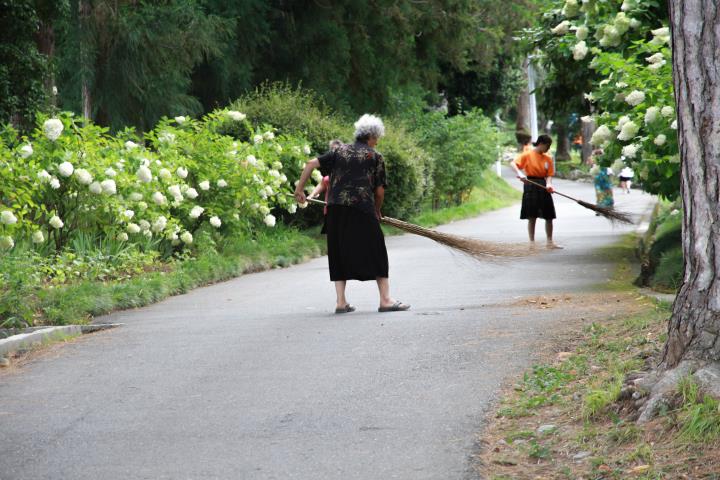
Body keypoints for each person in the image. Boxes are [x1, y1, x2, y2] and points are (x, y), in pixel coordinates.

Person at [294, 115, 410, 314]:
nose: (378, 141)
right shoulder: (375, 156)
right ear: (371, 136)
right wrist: (377, 210)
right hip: (362, 209)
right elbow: (380, 191)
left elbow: (310, 164)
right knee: (377, 251)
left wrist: (299, 189)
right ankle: (385, 300)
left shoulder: (339, 151)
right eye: (377, 137)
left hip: (335, 209)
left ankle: (341, 302)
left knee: (338, 252)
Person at [510, 134, 562, 249]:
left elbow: (549, 175)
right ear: (541, 144)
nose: (548, 149)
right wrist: (520, 174)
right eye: (547, 146)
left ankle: (550, 242)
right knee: (532, 215)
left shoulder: (548, 158)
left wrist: (549, 184)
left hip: (544, 185)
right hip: (530, 184)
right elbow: (513, 163)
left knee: (549, 215)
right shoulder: (527, 154)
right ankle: (532, 243)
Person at [308, 140, 343, 234]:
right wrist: (311, 195)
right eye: (332, 149)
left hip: (344, 212)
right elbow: (322, 184)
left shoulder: (347, 171)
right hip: (329, 211)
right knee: (332, 240)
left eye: (336, 149)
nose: (333, 151)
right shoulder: (329, 175)